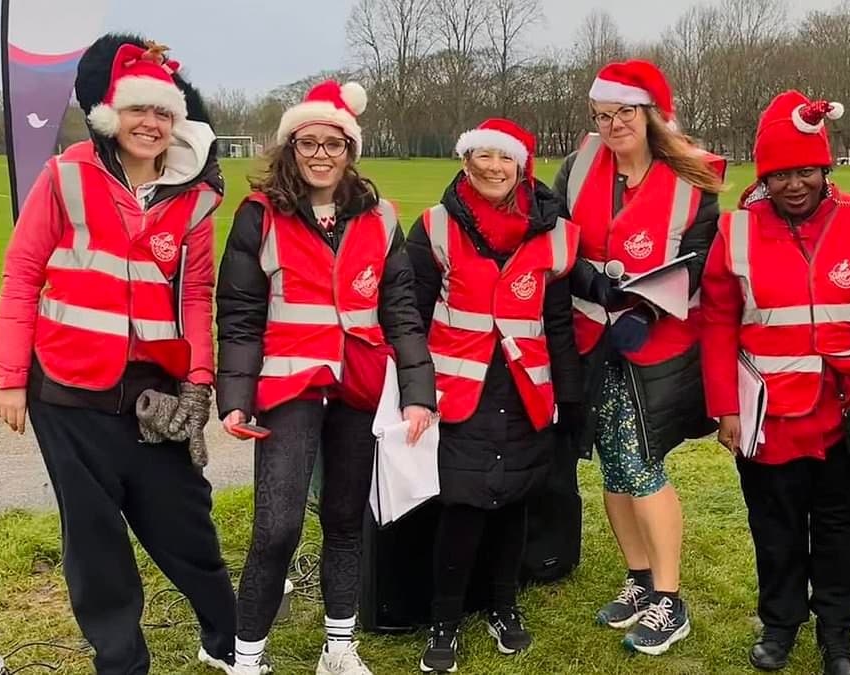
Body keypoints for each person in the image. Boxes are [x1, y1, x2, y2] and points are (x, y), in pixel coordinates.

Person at [0, 34, 237, 674]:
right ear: (111, 113)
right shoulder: (67, 173)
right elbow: (21, 275)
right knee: (96, 543)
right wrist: (10, 377)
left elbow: (197, 295)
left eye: (163, 112)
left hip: (154, 395)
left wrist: (199, 382)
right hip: (66, 395)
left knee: (186, 525)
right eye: (138, 109)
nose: (151, 123)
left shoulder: (193, 197)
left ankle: (230, 639)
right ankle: (122, 661)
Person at [215, 81, 436, 675]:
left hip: (358, 383)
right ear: (290, 147)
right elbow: (239, 316)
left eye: (332, 143)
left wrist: (417, 393)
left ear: (349, 149)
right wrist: (234, 399)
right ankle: (247, 659)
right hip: (289, 383)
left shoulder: (380, 215)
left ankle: (339, 648)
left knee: (344, 518)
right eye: (307, 142)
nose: (319, 153)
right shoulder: (259, 214)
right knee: (278, 524)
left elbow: (402, 311)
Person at [701, 91, 850, 675]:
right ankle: (779, 625)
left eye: (806, 170)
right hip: (768, 418)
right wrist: (725, 409)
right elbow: (717, 323)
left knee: (844, 530)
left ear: (825, 168)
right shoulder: (737, 230)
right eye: (780, 175)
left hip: (848, 413)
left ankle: (837, 633)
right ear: (765, 178)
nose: (795, 185)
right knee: (774, 531)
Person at [551, 60, 725, 655]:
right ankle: (639, 578)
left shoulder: (692, 179)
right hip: (589, 336)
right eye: (602, 115)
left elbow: (701, 258)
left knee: (640, 461)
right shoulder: (576, 167)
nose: (613, 124)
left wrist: (646, 309)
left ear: (650, 114)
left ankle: (669, 600)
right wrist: (589, 283)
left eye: (624, 112)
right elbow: (551, 233)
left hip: (654, 340)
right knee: (612, 463)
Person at [405, 119, 582, 673]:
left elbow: (557, 322)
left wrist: (572, 400)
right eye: (483, 157)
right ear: (466, 162)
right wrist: (412, 388)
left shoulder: (553, 233)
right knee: (462, 505)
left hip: (527, 389)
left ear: (522, 168)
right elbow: (409, 314)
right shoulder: (434, 226)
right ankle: (446, 619)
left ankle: (504, 607)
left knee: (514, 503)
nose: (494, 169)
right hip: (459, 390)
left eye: (505, 160)